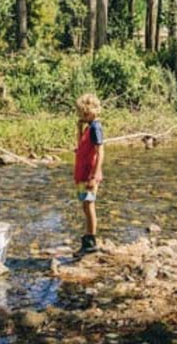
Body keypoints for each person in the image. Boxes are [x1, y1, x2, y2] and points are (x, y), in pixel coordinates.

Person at [73, 93, 105, 254]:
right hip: (83, 173)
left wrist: (95, 175)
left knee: (89, 205)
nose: (82, 117)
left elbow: (100, 152)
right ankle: (88, 237)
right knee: (85, 205)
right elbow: (80, 145)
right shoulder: (88, 127)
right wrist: (79, 129)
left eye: (83, 114)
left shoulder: (96, 128)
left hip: (89, 174)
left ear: (91, 112)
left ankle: (90, 240)